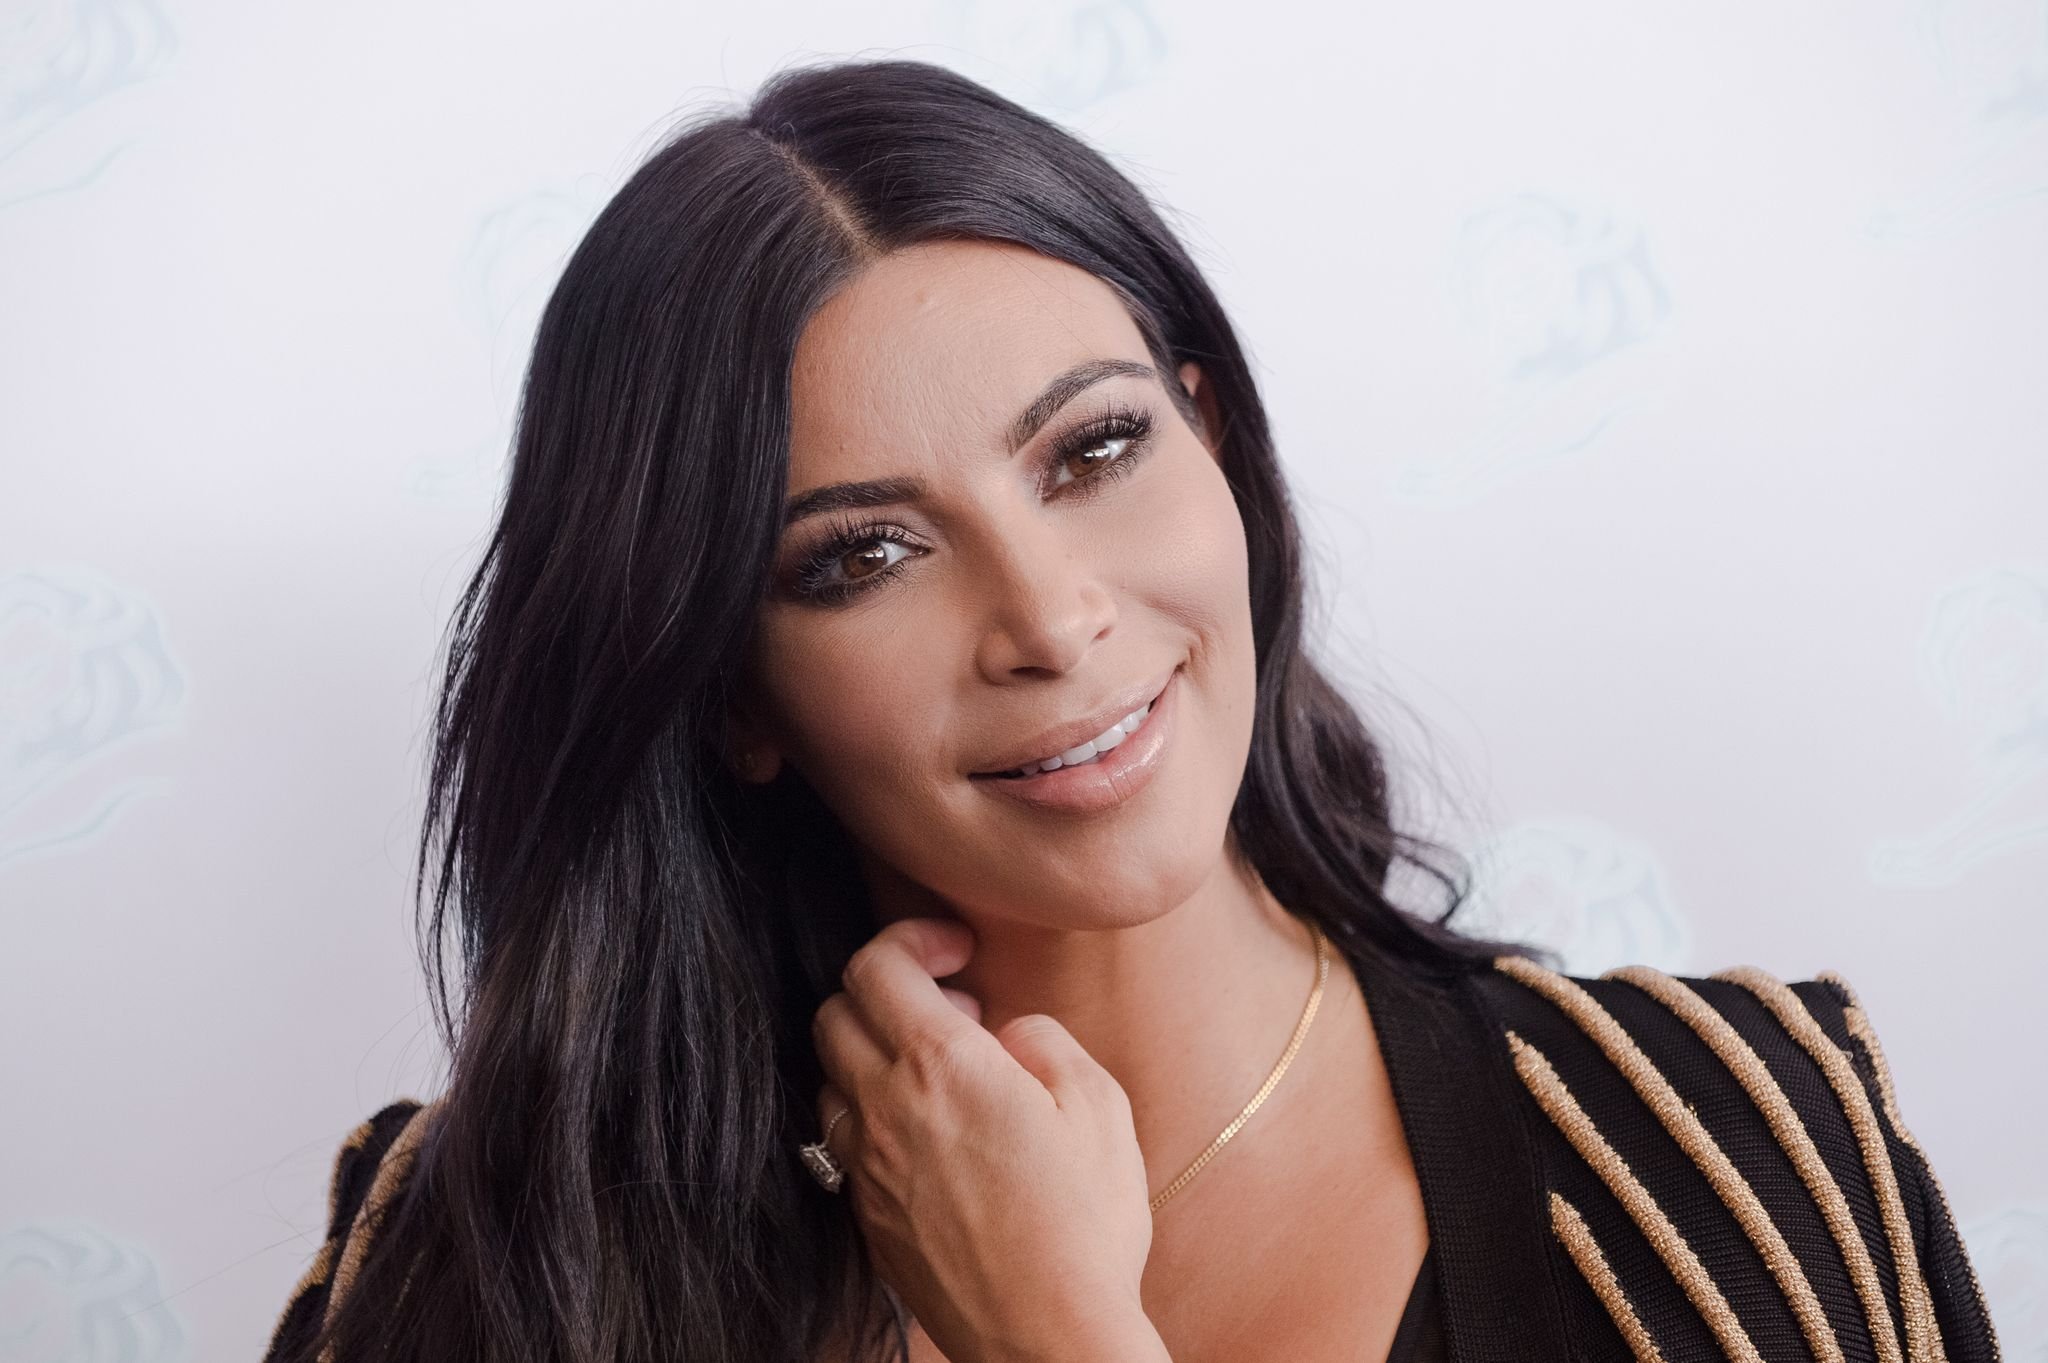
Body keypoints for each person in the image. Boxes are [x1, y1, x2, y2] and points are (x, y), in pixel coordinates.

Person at [261, 57, 2000, 1363]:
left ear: (1213, 435)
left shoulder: (1725, 1154)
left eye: (1093, 452)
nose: (1051, 619)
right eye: (865, 556)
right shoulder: (475, 1265)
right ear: (732, 693)